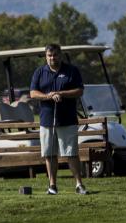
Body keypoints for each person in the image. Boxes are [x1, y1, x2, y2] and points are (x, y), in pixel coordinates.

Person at [29, 43, 88, 195]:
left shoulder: (71, 70)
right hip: (47, 120)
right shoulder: (39, 72)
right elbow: (33, 93)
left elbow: (79, 90)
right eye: (49, 55)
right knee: (49, 154)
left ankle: (79, 185)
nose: (52, 58)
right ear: (46, 57)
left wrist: (61, 94)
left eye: (55, 55)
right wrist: (48, 95)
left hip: (67, 119)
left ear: (60, 55)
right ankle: (52, 186)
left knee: (71, 153)